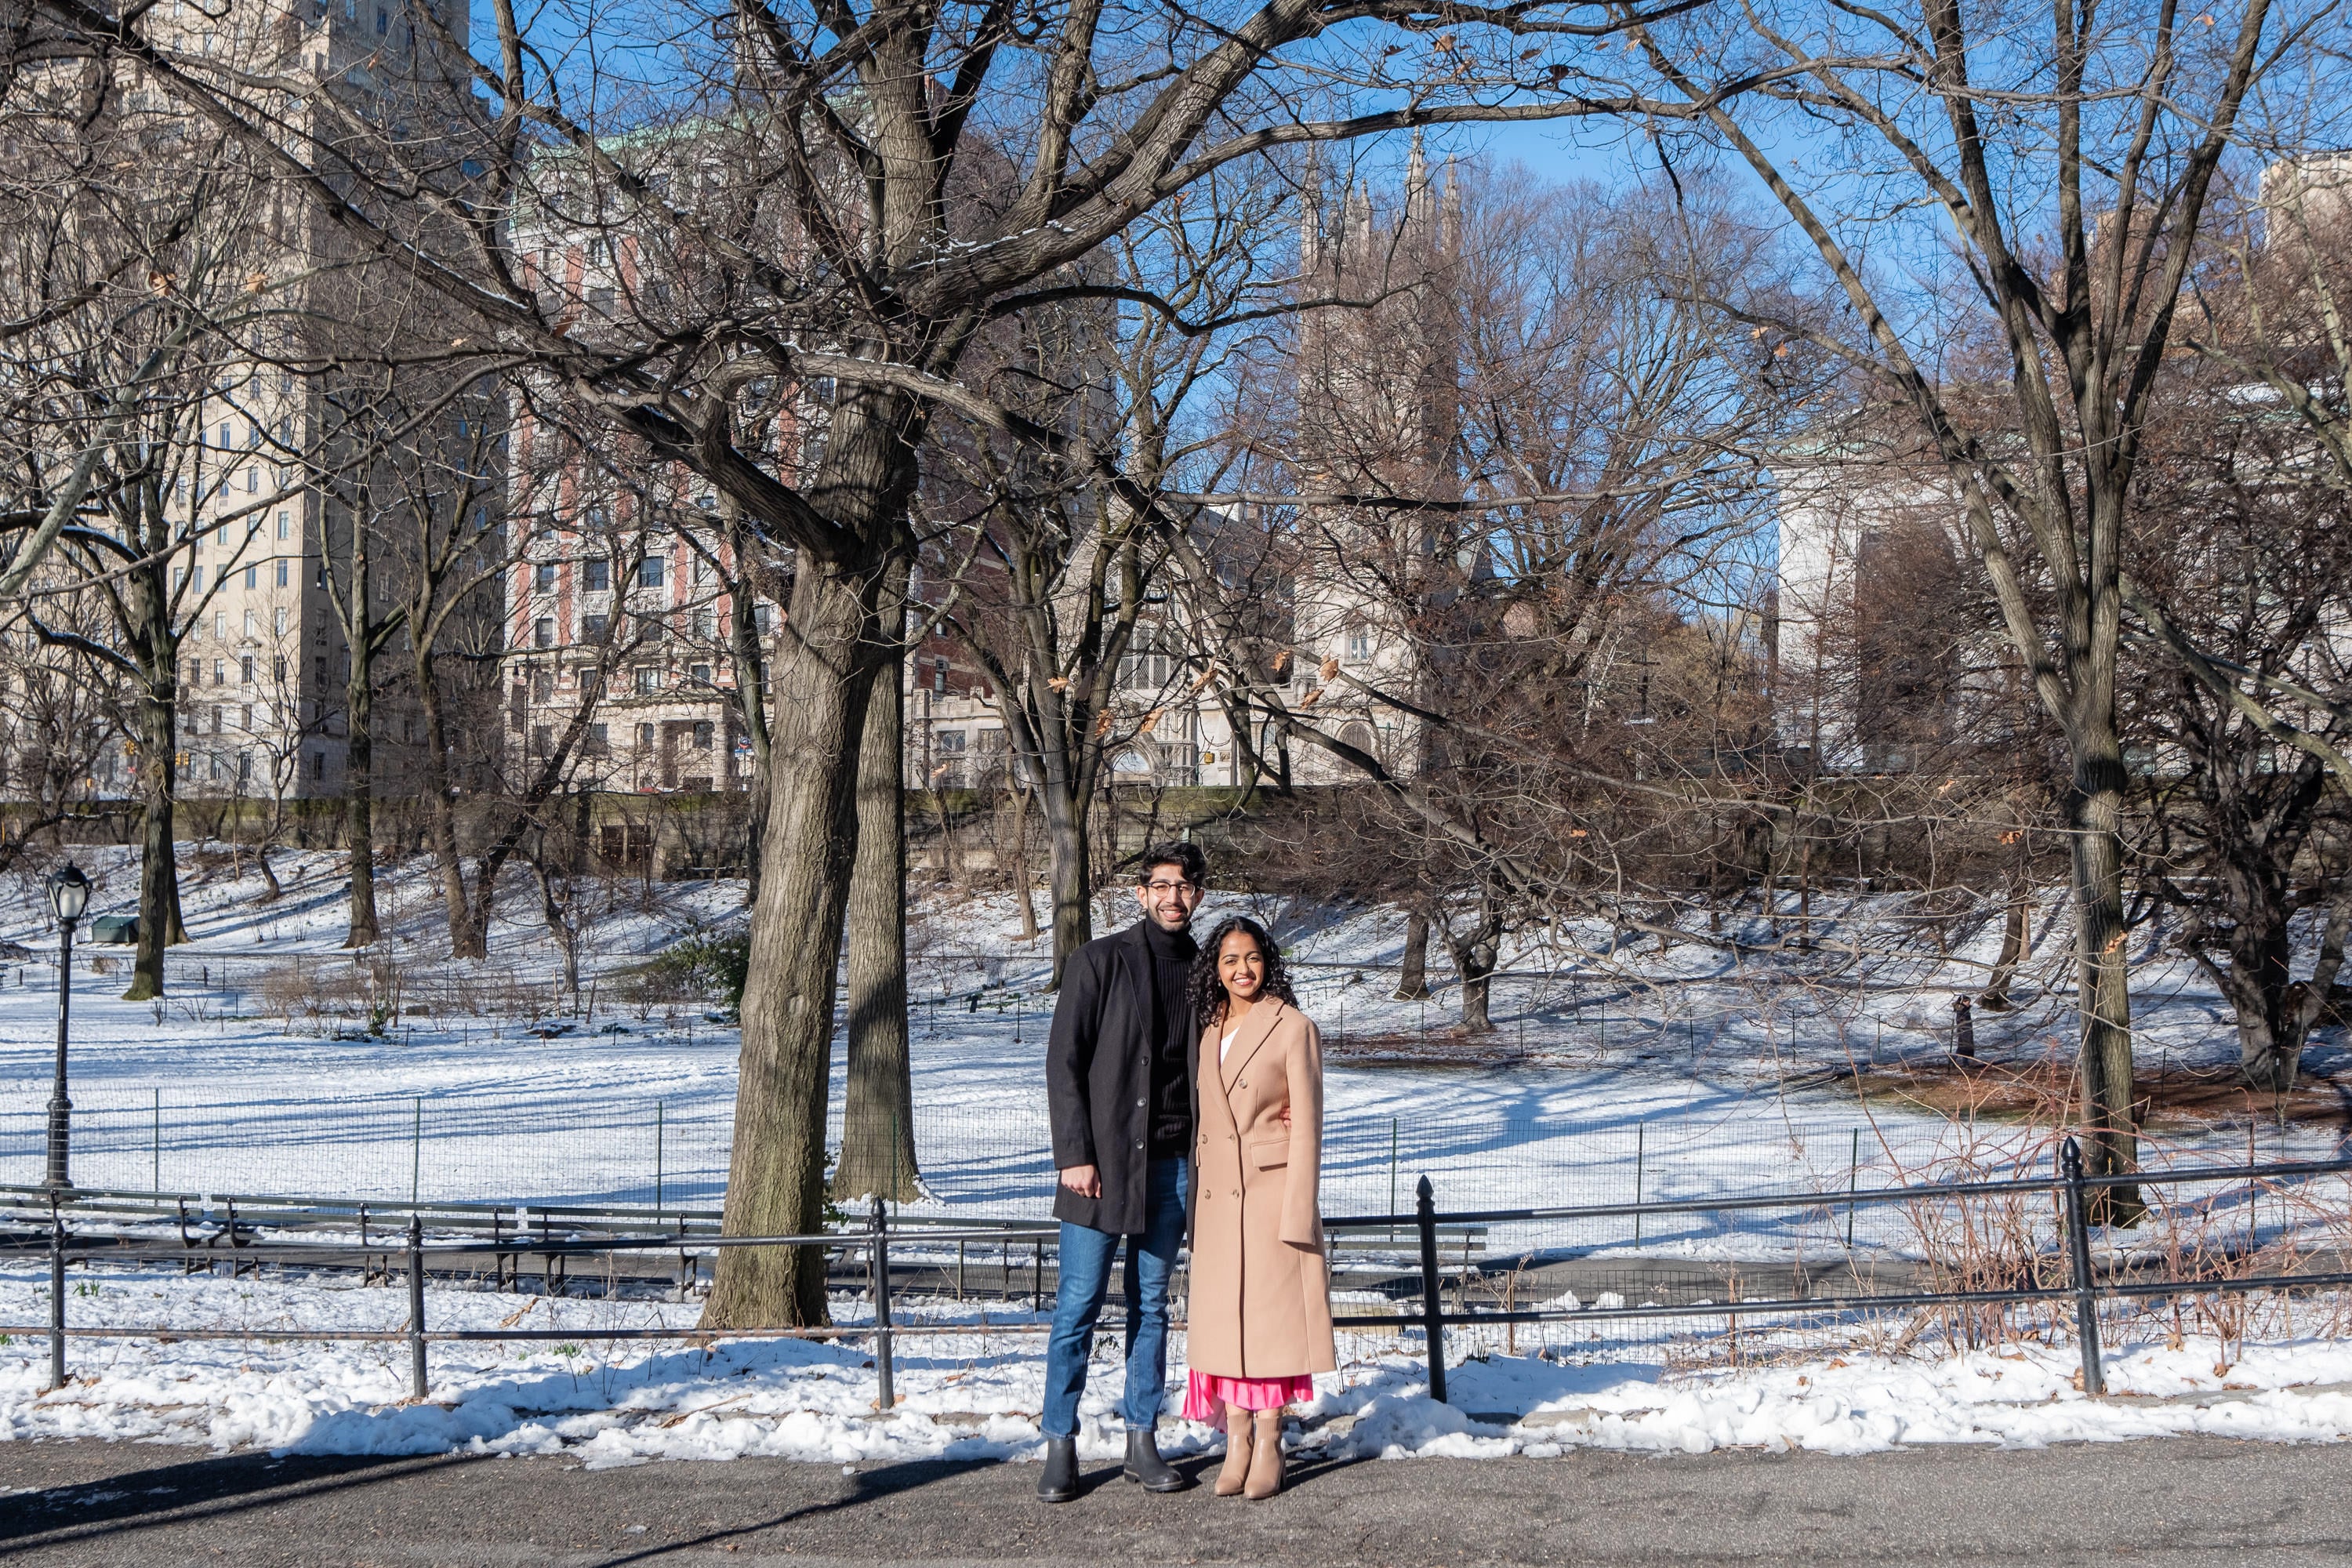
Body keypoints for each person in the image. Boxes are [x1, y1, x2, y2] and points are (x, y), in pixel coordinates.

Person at [1037, 841, 1207, 1504]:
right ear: (1141, 893)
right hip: (1100, 1167)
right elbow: (1064, 1063)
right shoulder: (1099, 961)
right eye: (1161, 885)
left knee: (1153, 1306)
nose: (1173, 897)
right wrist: (1073, 1153)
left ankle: (1142, 1439)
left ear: (1198, 895)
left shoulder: (1205, 971)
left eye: (1185, 886)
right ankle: (1060, 1442)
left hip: (1171, 1168)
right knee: (1078, 1306)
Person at [1181, 915, 1334, 1501]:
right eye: (1229, 960)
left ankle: (1269, 1440)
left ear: (1267, 961)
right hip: (1219, 1202)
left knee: (1269, 1329)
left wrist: (1299, 1212)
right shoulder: (1208, 1028)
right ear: (1215, 971)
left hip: (1271, 1198)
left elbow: (1308, 1127)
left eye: (1251, 957)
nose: (1241, 970)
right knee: (1225, 1328)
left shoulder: (1293, 1027)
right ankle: (1236, 1438)